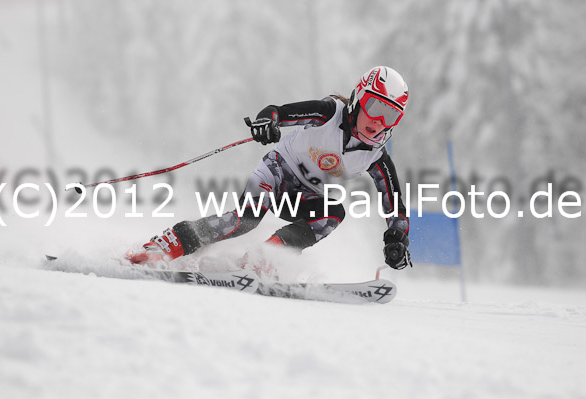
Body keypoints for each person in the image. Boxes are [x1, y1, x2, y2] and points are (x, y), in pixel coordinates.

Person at [126, 66, 412, 272]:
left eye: (390, 115)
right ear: (360, 96)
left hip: (301, 196)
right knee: (244, 221)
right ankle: (166, 245)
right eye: (375, 106)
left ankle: (262, 259)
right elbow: (278, 111)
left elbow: (394, 204)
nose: (378, 121)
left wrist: (397, 238)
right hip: (275, 174)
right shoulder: (329, 113)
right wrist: (268, 122)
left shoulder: (375, 156)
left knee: (333, 213)